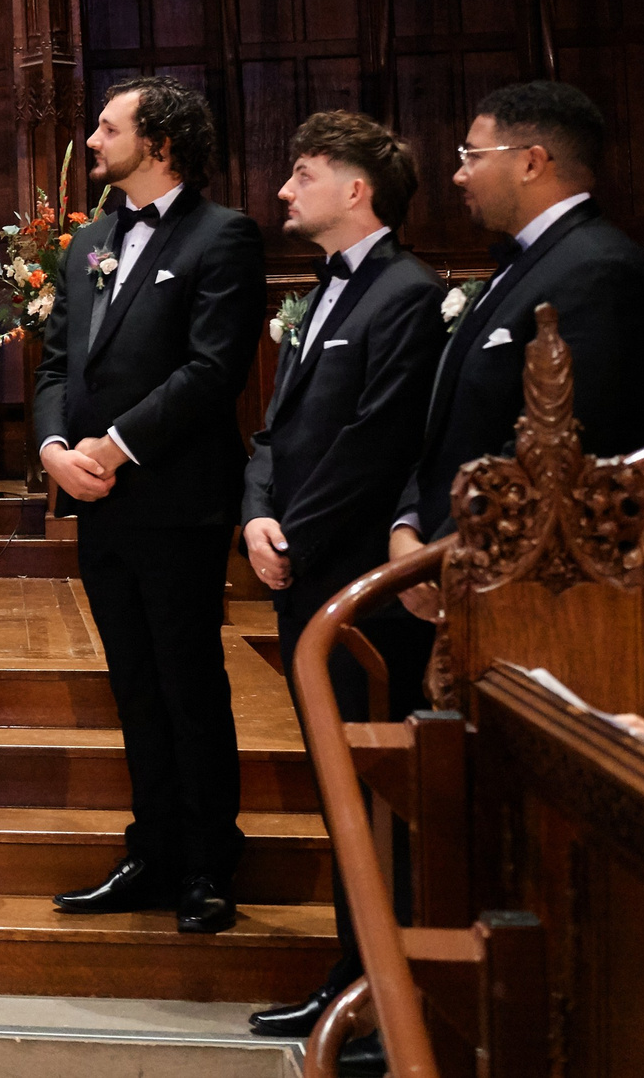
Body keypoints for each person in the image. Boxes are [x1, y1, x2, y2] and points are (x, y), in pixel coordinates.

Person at [34, 77, 264, 936]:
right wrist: (57, 449)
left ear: (159, 143)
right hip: (97, 502)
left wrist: (117, 445)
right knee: (132, 684)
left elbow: (211, 371)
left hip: (174, 498)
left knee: (188, 683)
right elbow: (59, 364)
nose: (93, 140)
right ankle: (151, 847)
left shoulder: (224, 236)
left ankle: (208, 861)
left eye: (108, 128)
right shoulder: (91, 239)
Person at [238, 114, 444, 1046]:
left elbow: (379, 439)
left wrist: (300, 531)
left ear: (356, 190)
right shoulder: (320, 292)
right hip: (298, 559)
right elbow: (278, 429)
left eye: (304, 173)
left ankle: (379, 1002)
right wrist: (256, 513)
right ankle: (349, 979)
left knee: (369, 793)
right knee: (335, 787)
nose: (286, 189)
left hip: (357, 579)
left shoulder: (404, 293)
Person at [390, 80, 644, 588]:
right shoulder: (527, 263)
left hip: (535, 582)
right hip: (460, 554)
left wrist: (445, 551)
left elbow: (560, 444)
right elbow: (450, 420)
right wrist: (409, 522)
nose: (457, 174)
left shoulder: (598, 269)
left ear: (531, 162)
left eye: (471, 155)